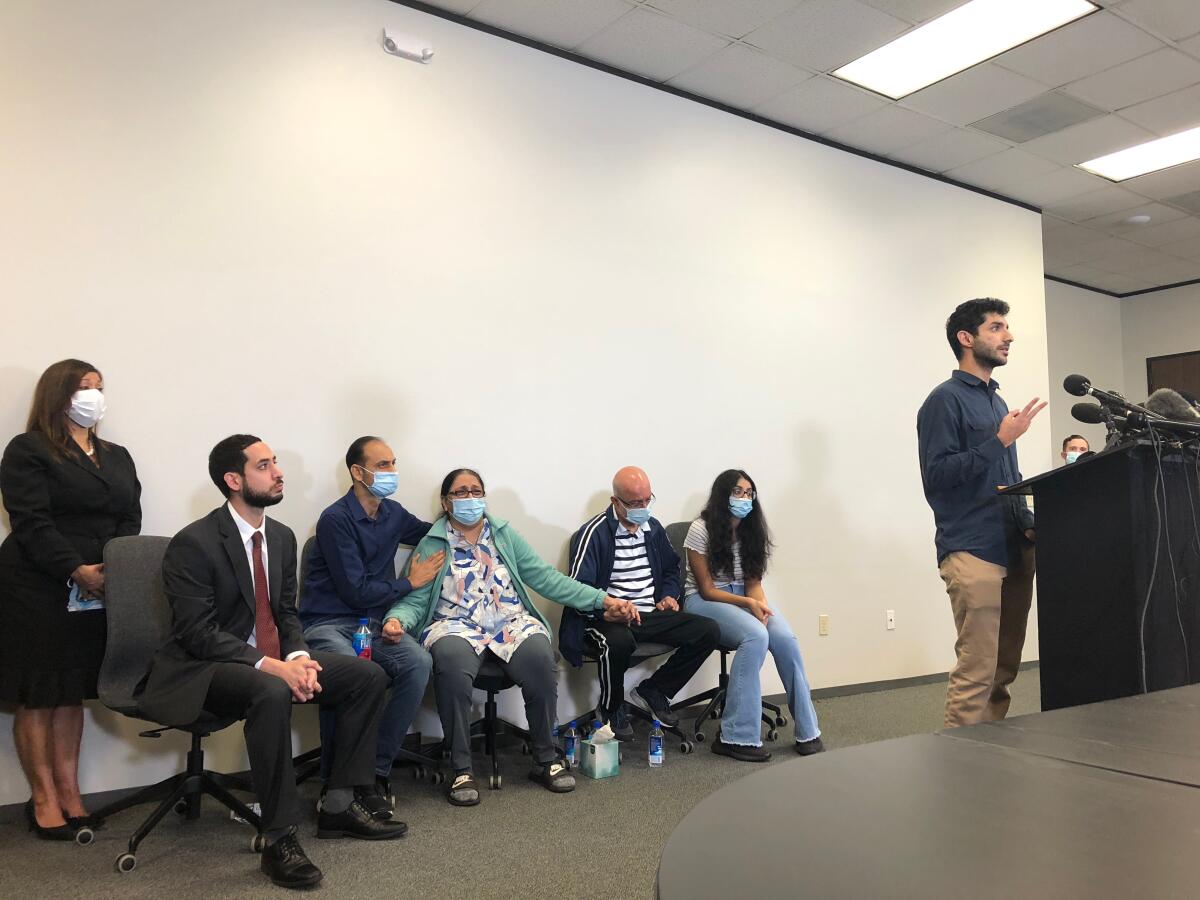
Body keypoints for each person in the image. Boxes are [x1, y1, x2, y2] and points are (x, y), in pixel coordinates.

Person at [137, 435, 405, 890]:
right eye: (265, 466)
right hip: (203, 667)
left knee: (366, 675)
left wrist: (298, 656)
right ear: (234, 480)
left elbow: (286, 613)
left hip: (271, 657)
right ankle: (278, 836)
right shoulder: (194, 543)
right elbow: (197, 634)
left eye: (276, 462)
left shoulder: (279, 537)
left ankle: (339, 804)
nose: (279, 472)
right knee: (271, 687)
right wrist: (273, 667)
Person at [382, 468, 638, 806]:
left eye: (476, 491)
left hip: (509, 623)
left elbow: (547, 578)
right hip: (455, 624)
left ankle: (546, 759)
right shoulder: (433, 543)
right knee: (451, 662)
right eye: (461, 493)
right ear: (446, 503)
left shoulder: (502, 535)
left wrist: (601, 599)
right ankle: (461, 768)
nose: (470, 498)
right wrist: (396, 620)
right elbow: (414, 597)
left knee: (539, 655)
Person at [0, 359, 141, 840]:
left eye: (99, 387)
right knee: (41, 692)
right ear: (59, 395)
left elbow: (129, 514)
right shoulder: (28, 450)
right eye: (84, 387)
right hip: (38, 584)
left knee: (71, 692)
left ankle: (71, 794)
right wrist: (75, 569)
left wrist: (111, 566)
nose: (94, 397)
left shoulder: (116, 455)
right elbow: (31, 520)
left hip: (98, 584)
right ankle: (43, 800)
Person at [917, 297, 1045, 728]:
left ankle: (990, 757)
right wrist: (1000, 440)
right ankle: (960, 765)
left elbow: (1007, 475)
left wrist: (1028, 524)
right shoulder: (944, 401)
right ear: (966, 338)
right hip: (973, 548)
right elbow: (936, 476)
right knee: (977, 669)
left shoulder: (995, 402)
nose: (1008, 336)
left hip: (1014, 545)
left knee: (1004, 669)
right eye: (996, 327)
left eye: (1006, 327)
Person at [300, 436, 443, 818]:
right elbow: (354, 591)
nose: (391, 472)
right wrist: (409, 583)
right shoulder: (335, 520)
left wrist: (465, 515)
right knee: (354, 675)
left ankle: (373, 771)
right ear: (357, 472)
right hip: (329, 622)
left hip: (372, 625)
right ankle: (337, 781)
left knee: (417, 664)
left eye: (393, 463)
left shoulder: (393, 513)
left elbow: (433, 533)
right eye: (382, 466)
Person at [562, 466, 719, 741]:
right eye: (635, 502)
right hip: (605, 617)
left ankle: (655, 690)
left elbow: (672, 570)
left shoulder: (653, 528)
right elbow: (577, 590)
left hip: (648, 613)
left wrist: (669, 596)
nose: (643, 507)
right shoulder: (594, 533)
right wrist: (607, 608)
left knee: (708, 631)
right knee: (618, 642)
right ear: (615, 502)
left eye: (648, 500)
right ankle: (611, 707)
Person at [682, 469, 823, 762]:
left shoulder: (752, 530)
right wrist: (748, 605)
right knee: (756, 636)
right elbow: (707, 590)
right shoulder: (700, 529)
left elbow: (754, 584)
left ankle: (808, 730)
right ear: (723, 495)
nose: (745, 498)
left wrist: (760, 608)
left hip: (742, 596)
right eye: (738, 492)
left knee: (784, 638)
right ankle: (735, 736)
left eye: (749, 493)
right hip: (703, 600)